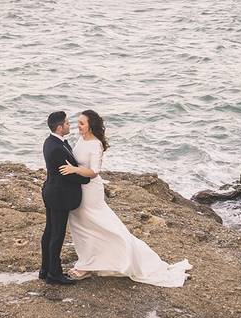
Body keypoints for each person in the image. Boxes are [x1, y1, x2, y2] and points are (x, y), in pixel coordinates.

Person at [60, 110, 192, 287]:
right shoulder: (81, 140)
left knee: (100, 225)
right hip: (78, 188)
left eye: (82, 123)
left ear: (90, 125)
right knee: (81, 227)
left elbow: (94, 172)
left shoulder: (96, 144)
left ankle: (121, 256)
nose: (78, 125)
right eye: (78, 122)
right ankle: (89, 261)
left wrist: (74, 170)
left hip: (91, 191)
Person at [40, 111, 89, 285]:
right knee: (56, 235)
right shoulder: (56, 148)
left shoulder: (51, 142)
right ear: (60, 127)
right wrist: (85, 177)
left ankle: (45, 269)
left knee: (49, 232)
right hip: (59, 195)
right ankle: (54, 273)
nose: (70, 125)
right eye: (67, 123)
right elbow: (68, 175)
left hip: (52, 192)